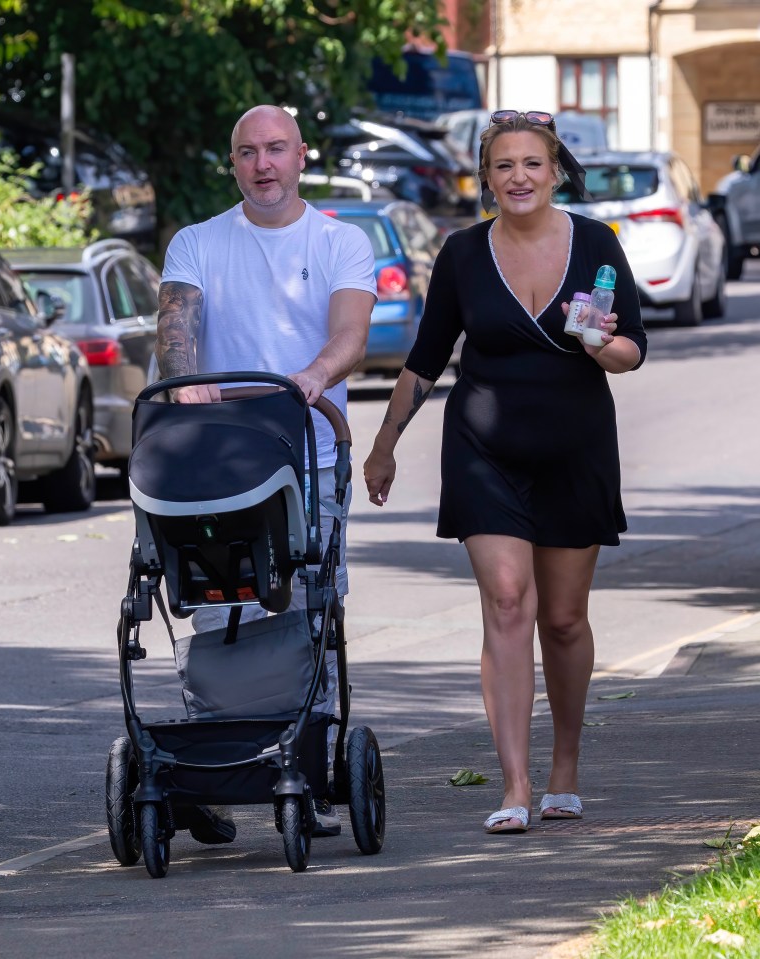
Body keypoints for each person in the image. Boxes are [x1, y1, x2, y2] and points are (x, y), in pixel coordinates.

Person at [363, 110, 647, 835]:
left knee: (561, 617)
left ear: (554, 171)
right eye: (502, 165)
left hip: (573, 449)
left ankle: (563, 770)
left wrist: (598, 346)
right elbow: (426, 357)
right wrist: (385, 441)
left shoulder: (595, 245)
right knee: (507, 598)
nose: (517, 177)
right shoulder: (461, 253)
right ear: (485, 178)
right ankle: (514, 784)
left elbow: (632, 352)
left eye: (531, 163)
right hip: (481, 449)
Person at [155, 104, 377, 842]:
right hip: (218, 468)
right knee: (219, 613)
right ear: (234, 164)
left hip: (307, 458)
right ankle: (210, 769)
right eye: (247, 152)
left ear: (301, 155)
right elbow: (177, 330)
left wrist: (313, 375)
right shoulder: (197, 242)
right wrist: (184, 381)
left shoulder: (340, 241)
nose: (263, 164)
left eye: (276, 149)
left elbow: (349, 331)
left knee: (307, 615)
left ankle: (306, 771)